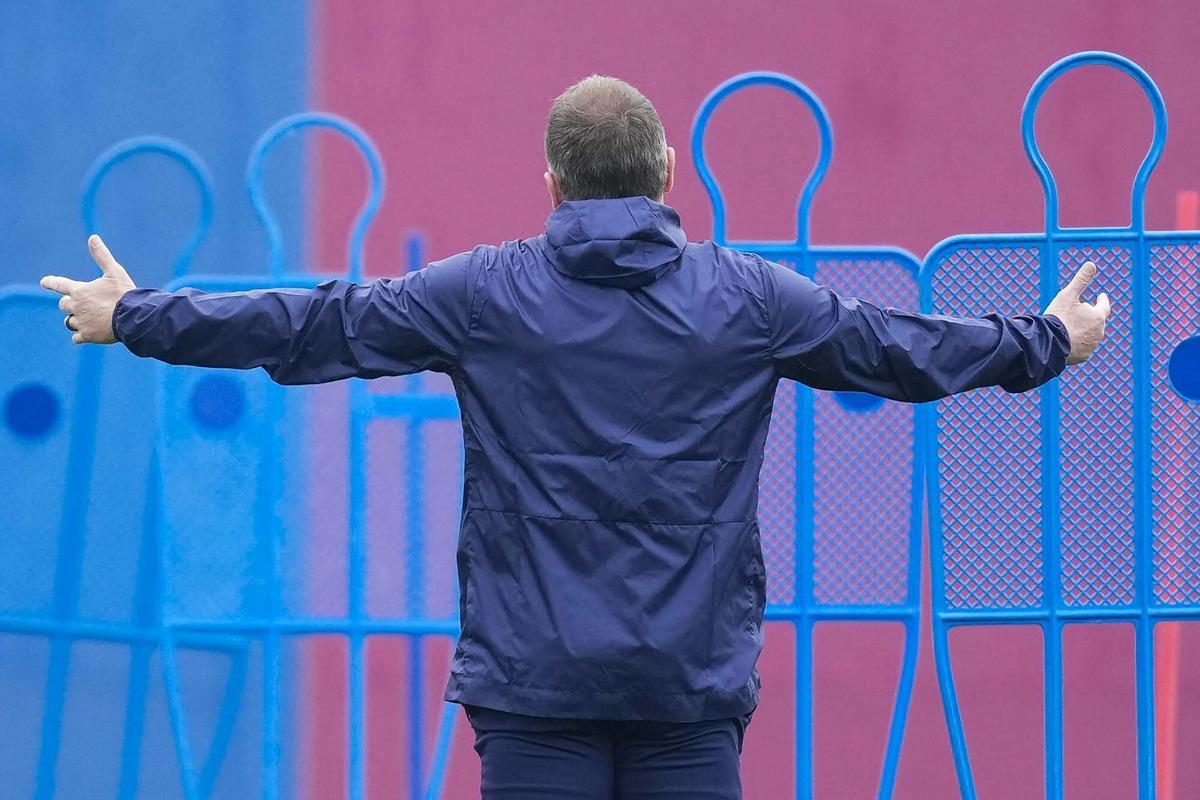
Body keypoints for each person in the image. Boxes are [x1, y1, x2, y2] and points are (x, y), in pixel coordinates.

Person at [41, 75, 1110, 799]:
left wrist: (135, 316)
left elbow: (318, 322)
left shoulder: (485, 292)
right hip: (685, 696)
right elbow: (897, 348)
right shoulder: (748, 298)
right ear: (668, 174)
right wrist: (1047, 339)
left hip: (534, 693)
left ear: (550, 182)